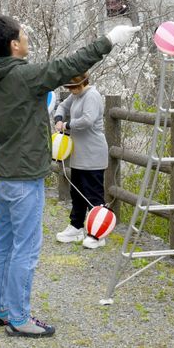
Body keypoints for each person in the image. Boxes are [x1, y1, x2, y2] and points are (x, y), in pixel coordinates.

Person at [0, 15, 141, 338]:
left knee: (3, 242)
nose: (27, 38)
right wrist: (109, 40)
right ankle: (19, 317)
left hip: (2, 173)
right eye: (23, 34)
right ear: (14, 45)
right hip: (24, 175)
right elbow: (69, 65)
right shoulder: (26, 76)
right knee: (26, 247)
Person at [53, 72, 108, 250]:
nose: (71, 91)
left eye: (73, 87)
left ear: (83, 83)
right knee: (77, 193)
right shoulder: (75, 95)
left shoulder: (92, 95)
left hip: (93, 153)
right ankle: (76, 226)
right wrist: (59, 118)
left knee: (94, 195)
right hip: (79, 153)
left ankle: (98, 234)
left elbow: (88, 120)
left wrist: (67, 125)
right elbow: (62, 105)